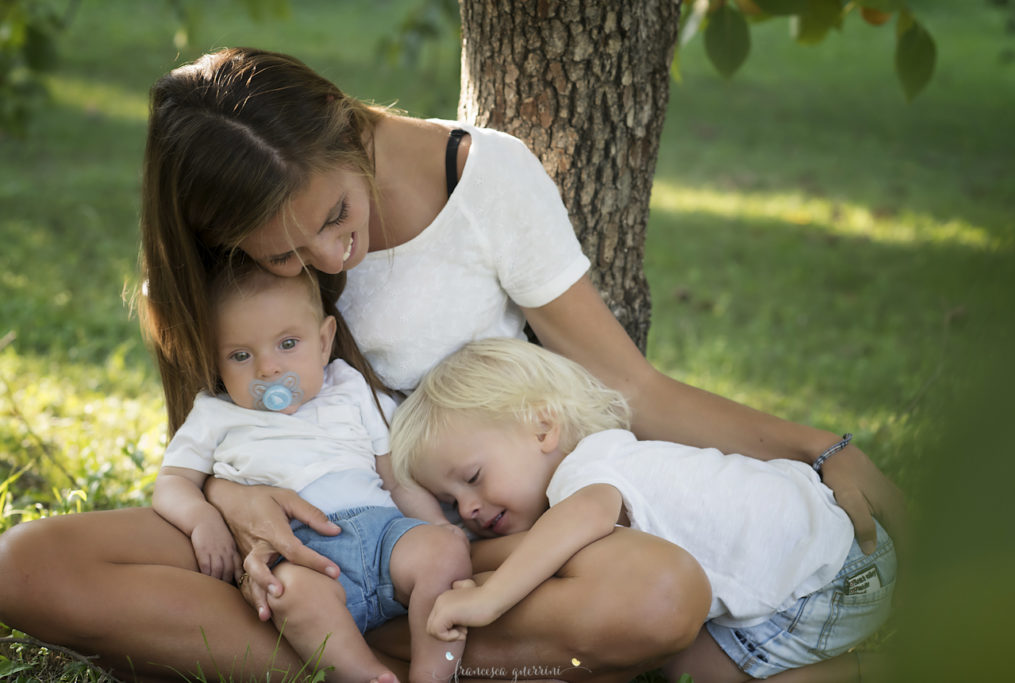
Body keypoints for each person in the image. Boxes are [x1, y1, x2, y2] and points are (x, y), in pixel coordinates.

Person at [0, 47, 903, 681]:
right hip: (293, 514)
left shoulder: (485, 181)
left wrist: (816, 446)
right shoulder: (245, 221)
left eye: (334, 218)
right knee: (25, 564)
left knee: (661, 594)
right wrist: (231, 504)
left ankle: (315, 657)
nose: (326, 261)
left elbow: (630, 387)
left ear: (342, 130)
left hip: (463, 549)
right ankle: (386, 659)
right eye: (280, 256)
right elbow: (223, 418)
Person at [389, 338, 898, 683]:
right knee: (684, 664)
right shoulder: (619, 455)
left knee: (699, 669)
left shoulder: (588, 471)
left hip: (826, 576)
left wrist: (489, 598)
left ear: (543, 428)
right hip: (838, 557)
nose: (470, 509)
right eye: (452, 503)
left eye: (474, 478)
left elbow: (582, 518)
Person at [152, 259, 469, 683]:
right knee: (288, 596)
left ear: (324, 343)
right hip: (300, 555)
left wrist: (433, 525)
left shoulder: (350, 387)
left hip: (385, 537)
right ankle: (366, 675)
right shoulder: (215, 414)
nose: (268, 369)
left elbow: (395, 478)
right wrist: (201, 519)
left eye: (287, 344)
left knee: (444, 551)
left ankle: (432, 675)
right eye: (241, 355)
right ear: (217, 363)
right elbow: (172, 481)